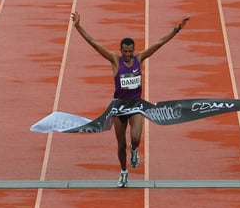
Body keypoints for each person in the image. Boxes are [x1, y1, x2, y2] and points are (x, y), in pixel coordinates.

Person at [71, 12, 189, 187]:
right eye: (125, 51)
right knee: (120, 144)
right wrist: (78, 26)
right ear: (121, 50)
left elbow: (159, 43)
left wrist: (176, 30)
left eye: (130, 51)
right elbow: (94, 44)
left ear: (134, 50)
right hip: (119, 107)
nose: (127, 54)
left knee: (134, 138)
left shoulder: (139, 58)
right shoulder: (114, 60)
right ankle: (123, 172)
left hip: (136, 105)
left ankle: (135, 150)